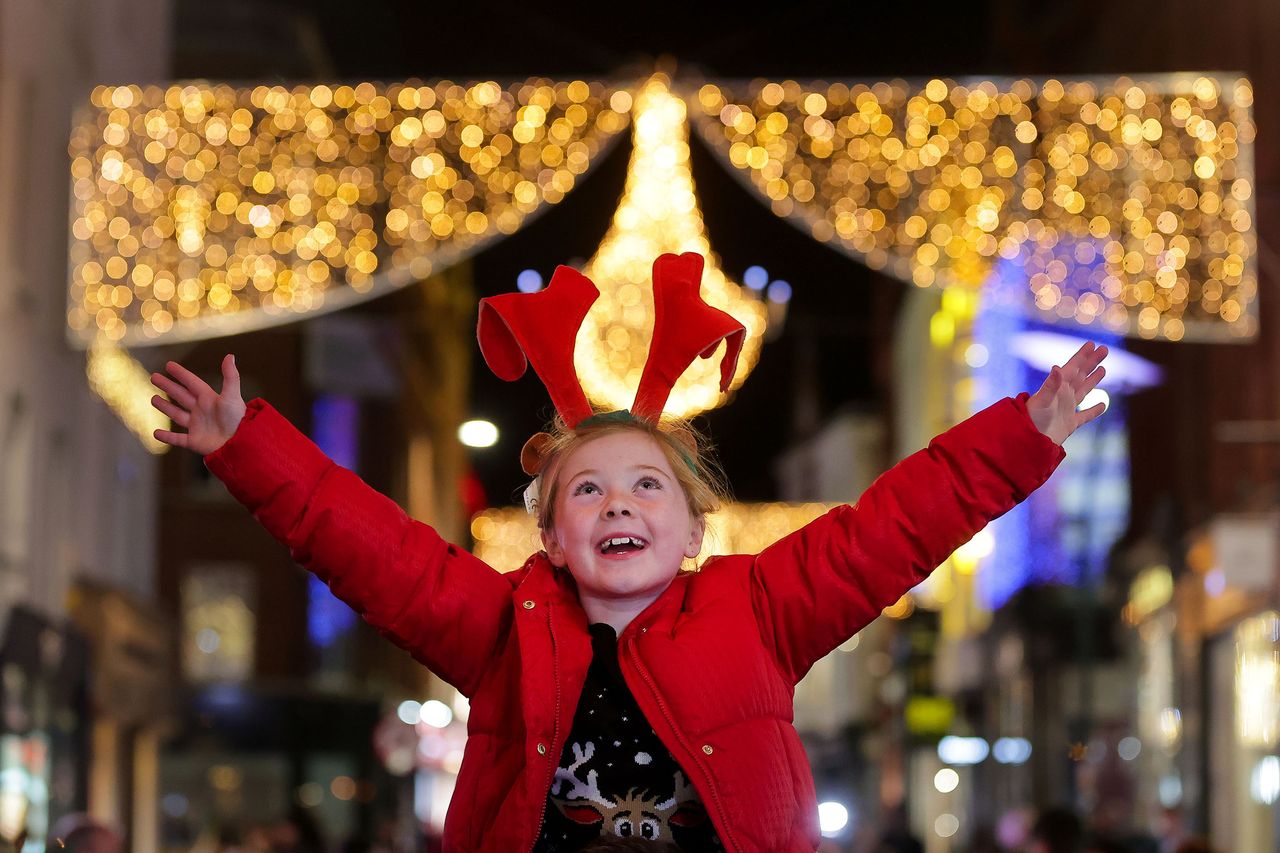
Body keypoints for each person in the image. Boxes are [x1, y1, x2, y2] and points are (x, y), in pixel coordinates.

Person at [151, 253, 1108, 852]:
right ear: (554, 537)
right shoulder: (498, 627)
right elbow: (371, 549)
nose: (620, 502)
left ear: (694, 531)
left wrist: (1024, 433)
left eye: (648, 484)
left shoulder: (760, 607)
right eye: (589, 489)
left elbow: (895, 527)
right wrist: (248, 446)